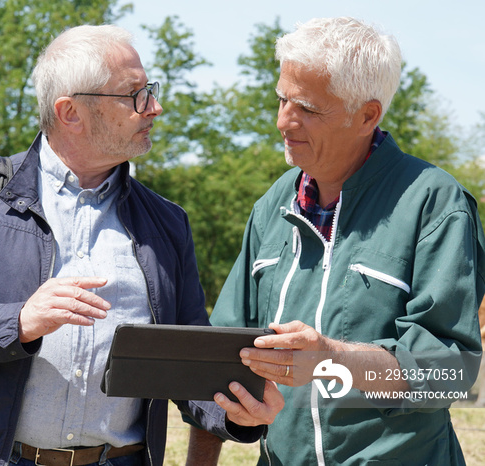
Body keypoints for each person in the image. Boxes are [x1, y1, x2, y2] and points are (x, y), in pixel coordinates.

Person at [0, 24, 282, 466]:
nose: (155, 108)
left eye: (152, 91)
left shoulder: (167, 223)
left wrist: (238, 411)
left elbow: (187, 366)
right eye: (136, 94)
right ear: (70, 112)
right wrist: (19, 322)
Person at [186, 17, 484, 465]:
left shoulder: (434, 203)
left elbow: (453, 374)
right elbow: (218, 361)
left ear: (367, 115)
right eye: (282, 99)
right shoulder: (272, 205)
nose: (283, 121)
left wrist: (332, 359)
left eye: (307, 108)